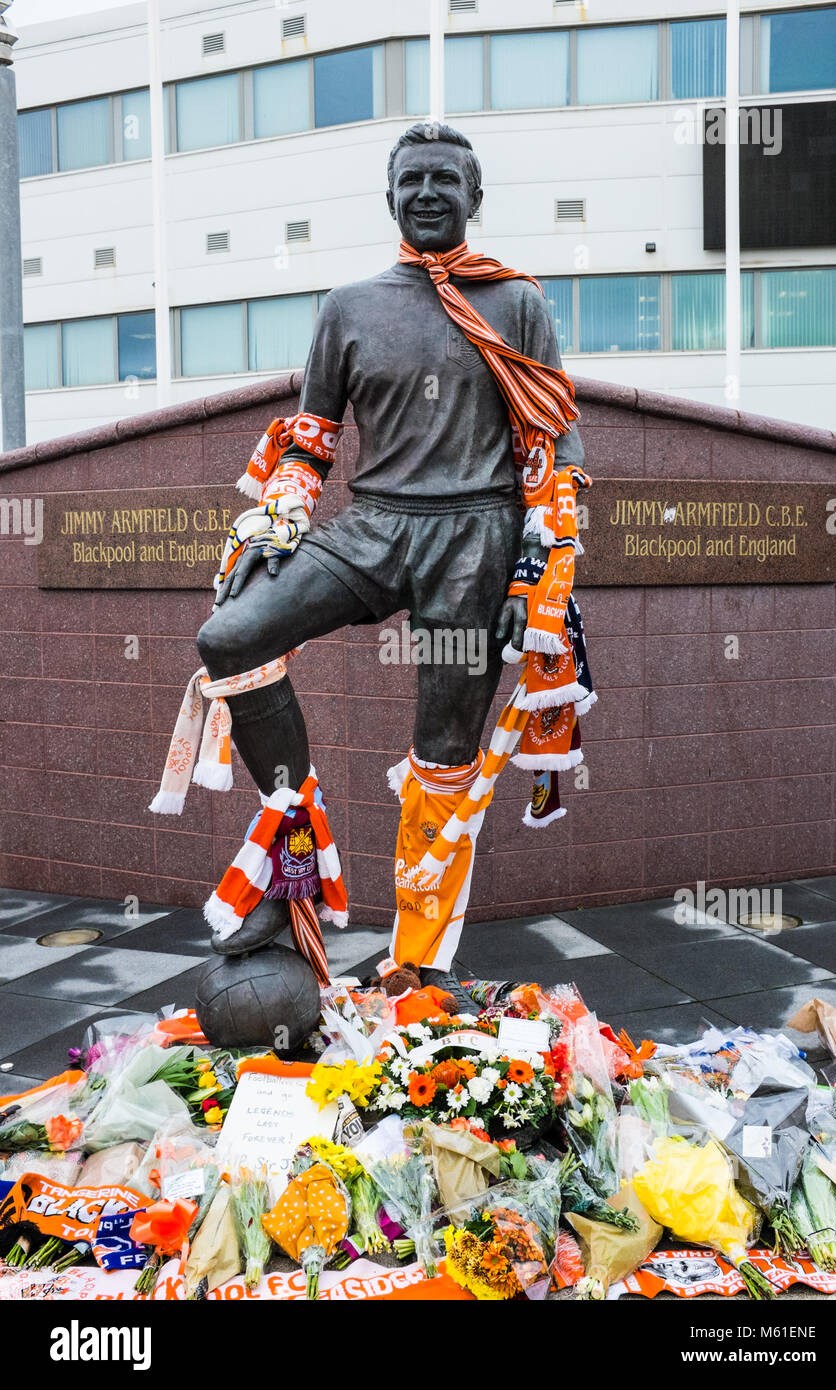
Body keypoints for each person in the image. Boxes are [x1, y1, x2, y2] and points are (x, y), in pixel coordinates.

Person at [191, 122, 588, 1006]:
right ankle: (292, 866)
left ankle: (423, 961)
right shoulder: (350, 304)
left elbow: (552, 449)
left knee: (444, 754)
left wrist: (535, 573)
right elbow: (310, 441)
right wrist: (278, 519)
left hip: (475, 543)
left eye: (447, 179)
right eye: (412, 180)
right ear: (391, 198)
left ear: (475, 198)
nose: (429, 192)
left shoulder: (517, 301)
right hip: (373, 529)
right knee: (231, 637)